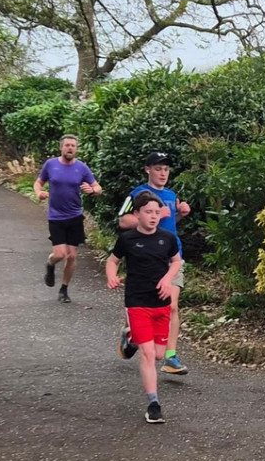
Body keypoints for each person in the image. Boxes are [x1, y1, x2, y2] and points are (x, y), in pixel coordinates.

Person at [106, 191, 182, 424]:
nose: (153, 217)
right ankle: (153, 404)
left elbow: (176, 261)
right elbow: (113, 260)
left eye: (157, 213)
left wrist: (168, 279)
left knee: (159, 354)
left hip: (161, 304)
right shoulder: (127, 239)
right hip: (137, 302)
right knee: (148, 354)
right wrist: (111, 276)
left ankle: (130, 337)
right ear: (137, 214)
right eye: (148, 212)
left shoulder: (167, 238)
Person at [117, 152, 192, 374]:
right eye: (158, 168)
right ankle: (132, 334)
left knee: (172, 305)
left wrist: (180, 215)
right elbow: (123, 220)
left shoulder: (170, 194)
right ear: (147, 169)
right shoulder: (137, 194)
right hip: (145, 256)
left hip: (172, 255)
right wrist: (158, 215)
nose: (162, 173)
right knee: (147, 306)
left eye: (166, 169)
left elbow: (168, 223)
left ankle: (170, 356)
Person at [33, 134, 102, 303]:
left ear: (76, 149)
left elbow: (98, 188)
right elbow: (38, 183)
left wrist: (92, 190)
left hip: (75, 217)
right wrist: (39, 193)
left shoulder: (82, 168)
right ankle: (50, 264)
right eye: (67, 145)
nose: (70, 148)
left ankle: (64, 289)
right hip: (56, 217)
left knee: (71, 256)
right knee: (60, 254)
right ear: (61, 148)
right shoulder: (51, 165)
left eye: (73, 145)